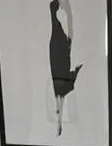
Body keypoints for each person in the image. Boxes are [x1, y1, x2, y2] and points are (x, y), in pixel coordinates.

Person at [48, 0, 82, 137]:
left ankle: (59, 119)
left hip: (61, 53)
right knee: (60, 90)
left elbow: (70, 32)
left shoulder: (59, 27)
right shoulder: (59, 26)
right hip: (60, 52)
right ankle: (59, 119)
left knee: (60, 91)